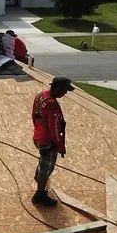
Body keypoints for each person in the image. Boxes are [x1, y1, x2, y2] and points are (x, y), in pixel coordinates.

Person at [31, 76, 72, 207]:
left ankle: (39, 181)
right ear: (57, 88)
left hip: (38, 136)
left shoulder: (41, 96)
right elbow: (55, 129)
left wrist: (38, 130)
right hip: (47, 141)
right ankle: (39, 195)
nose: (65, 94)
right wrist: (61, 147)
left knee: (42, 162)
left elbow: (34, 115)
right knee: (47, 167)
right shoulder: (52, 105)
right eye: (64, 90)